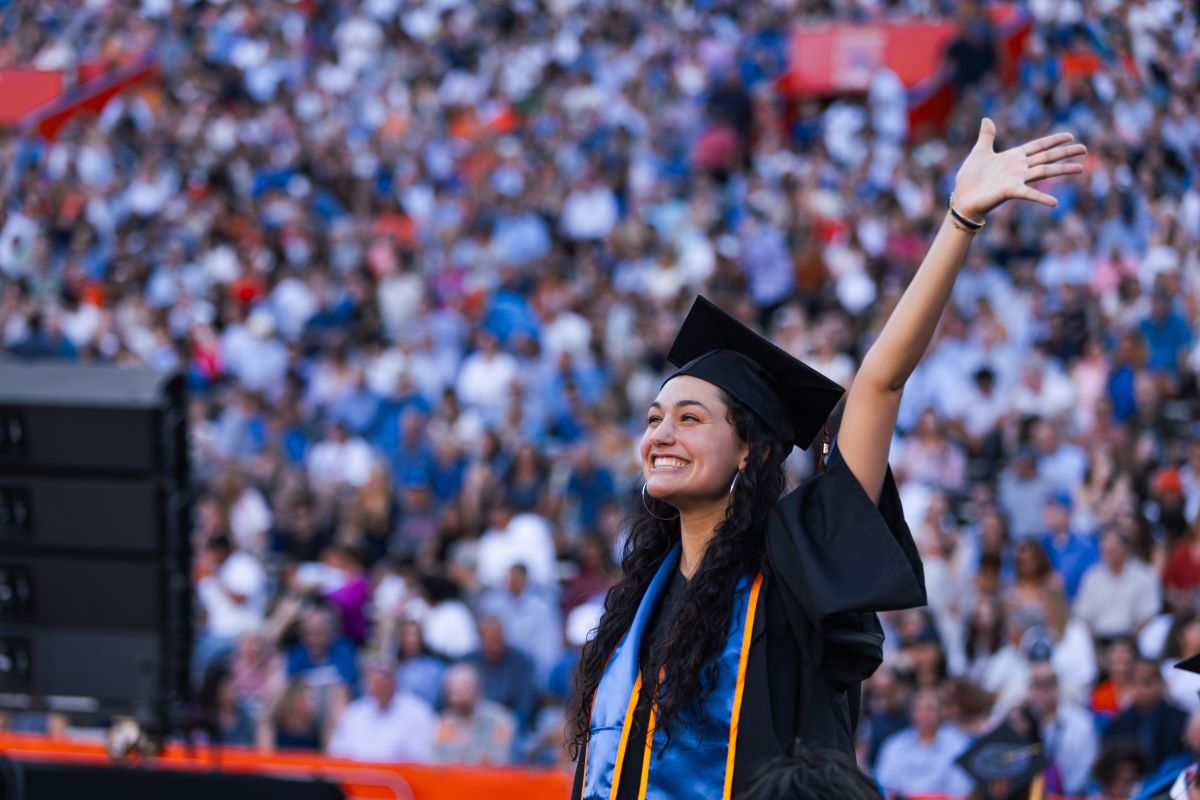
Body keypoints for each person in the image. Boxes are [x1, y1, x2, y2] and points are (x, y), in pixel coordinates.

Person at [569, 118, 1086, 799]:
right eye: (654, 418)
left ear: (750, 449)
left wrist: (960, 218)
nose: (660, 434)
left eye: (690, 419)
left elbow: (879, 383)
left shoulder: (798, 558)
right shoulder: (640, 598)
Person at [326, 656, 437, 763]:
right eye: (373, 676)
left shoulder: (418, 713)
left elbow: (424, 759)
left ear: (395, 678)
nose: (378, 681)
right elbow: (337, 753)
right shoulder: (354, 713)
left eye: (384, 675)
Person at [874, 688, 973, 798]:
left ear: (941, 712)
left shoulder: (957, 744)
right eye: (919, 709)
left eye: (930, 709)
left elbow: (961, 790)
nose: (925, 714)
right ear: (911, 712)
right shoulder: (894, 745)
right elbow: (886, 786)